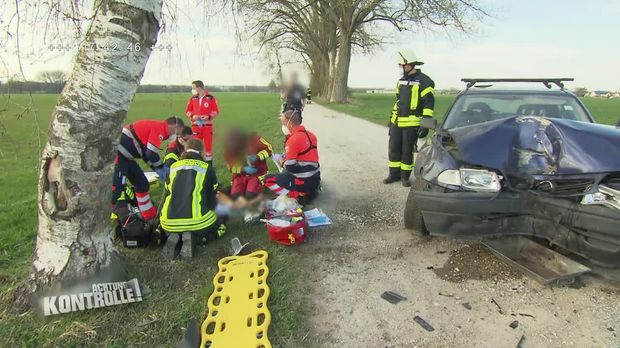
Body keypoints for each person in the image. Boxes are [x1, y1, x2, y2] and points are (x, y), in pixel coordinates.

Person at [159, 138, 226, 259]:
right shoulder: (207, 168)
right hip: (198, 221)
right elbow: (212, 201)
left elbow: (167, 193)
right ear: (201, 152)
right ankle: (199, 239)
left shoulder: (173, 167)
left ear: (184, 151)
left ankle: (175, 237)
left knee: (174, 224)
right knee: (221, 224)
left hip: (168, 222)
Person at [112, 117, 184, 220]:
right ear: (174, 127)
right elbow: (151, 153)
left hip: (126, 157)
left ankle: (149, 216)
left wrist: (157, 169)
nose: (175, 136)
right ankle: (114, 218)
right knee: (117, 189)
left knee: (142, 184)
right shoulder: (160, 129)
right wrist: (161, 168)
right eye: (177, 133)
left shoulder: (157, 127)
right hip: (119, 157)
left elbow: (146, 154)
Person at [384, 50, 435, 187]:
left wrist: (425, 123)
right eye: (400, 65)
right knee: (393, 148)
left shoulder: (425, 81)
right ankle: (393, 175)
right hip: (397, 121)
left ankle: (404, 177)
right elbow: (398, 102)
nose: (401, 68)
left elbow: (428, 103)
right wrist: (391, 119)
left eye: (403, 65)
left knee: (407, 150)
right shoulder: (401, 81)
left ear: (410, 65)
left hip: (412, 123)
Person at [266, 109, 320, 204]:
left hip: (303, 182)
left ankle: (297, 196)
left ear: (289, 123)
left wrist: (281, 160)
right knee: (284, 174)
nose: (282, 126)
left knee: (268, 179)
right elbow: (306, 157)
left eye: (283, 123)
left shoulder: (293, 139)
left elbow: (290, 167)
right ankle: (310, 192)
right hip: (315, 179)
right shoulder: (311, 135)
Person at [223, 129, 273, 202]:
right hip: (240, 175)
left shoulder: (255, 138)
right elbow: (230, 165)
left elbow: (269, 149)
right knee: (236, 196)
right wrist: (243, 169)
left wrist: (257, 157)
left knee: (251, 194)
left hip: (257, 174)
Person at [185, 80, 220, 162]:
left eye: (193, 88)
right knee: (196, 146)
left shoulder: (211, 98)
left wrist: (209, 116)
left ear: (199, 88)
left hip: (207, 127)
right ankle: (197, 162)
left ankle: (209, 164)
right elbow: (187, 111)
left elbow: (216, 111)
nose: (192, 89)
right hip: (196, 126)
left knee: (208, 147)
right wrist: (193, 116)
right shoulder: (192, 98)